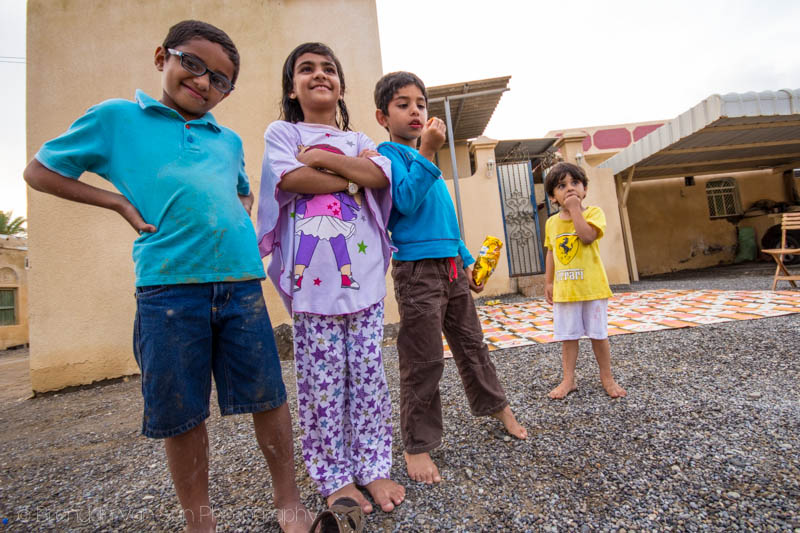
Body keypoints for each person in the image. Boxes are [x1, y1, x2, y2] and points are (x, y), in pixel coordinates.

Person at [23, 20, 312, 533]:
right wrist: (116, 201)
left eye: (220, 79)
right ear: (163, 57)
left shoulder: (227, 140)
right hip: (168, 289)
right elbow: (40, 171)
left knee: (269, 396)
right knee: (184, 412)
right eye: (194, 65)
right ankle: (199, 521)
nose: (203, 82)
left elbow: (243, 191)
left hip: (242, 285)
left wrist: (234, 215)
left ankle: (288, 501)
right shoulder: (117, 119)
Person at [256, 42, 404, 515]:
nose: (319, 75)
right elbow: (290, 181)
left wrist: (324, 160)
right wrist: (351, 178)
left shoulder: (360, 139)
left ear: (340, 86)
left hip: (361, 282)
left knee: (367, 377)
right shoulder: (282, 132)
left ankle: (375, 465)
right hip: (312, 288)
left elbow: (378, 178)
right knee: (321, 385)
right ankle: (334, 475)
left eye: (328, 69)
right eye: (306, 69)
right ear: (292, 85)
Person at [373, 71, 527, 485]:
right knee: (423, 358)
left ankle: (498, 406)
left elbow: (446, 223)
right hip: (417, 272)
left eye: (421, 104)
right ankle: (416, 444)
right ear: (382, 116)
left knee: (472, 344)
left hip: (451, 267)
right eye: (403, 104)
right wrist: (427, 151)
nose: (415, 111)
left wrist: (467, 259)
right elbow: (402, 202)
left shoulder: (429, 164)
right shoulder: (386, 157)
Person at [543, 162, 627, 400]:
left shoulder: (593, 214)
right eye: (561, 186)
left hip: (592, 288)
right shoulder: (551, 223)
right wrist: (549, 283)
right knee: (568, 337)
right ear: (553, 197)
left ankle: (607, 377)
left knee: (598, 335)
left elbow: (587, 237)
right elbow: (551, 252)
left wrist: (575, 210)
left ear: (585, 189)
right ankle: (568, 379)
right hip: (566, 290)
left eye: (575, 183)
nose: (569, 189)